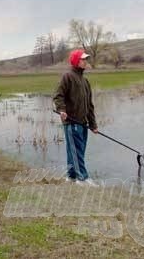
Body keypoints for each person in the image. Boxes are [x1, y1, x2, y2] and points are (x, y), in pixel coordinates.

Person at [53, 49, 98, 186]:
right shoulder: (68, 77)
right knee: (76, 151)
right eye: (83, 59)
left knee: (77, 150)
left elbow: (89, 105)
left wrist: (93, 124)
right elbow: (58, 96)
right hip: (71, 122)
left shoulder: (85, 81)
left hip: (83, 123)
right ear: (76, 61)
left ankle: (71, 176)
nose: (85, 62)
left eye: (86, 59)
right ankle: (82, 178)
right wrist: (61, 110)